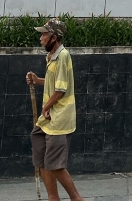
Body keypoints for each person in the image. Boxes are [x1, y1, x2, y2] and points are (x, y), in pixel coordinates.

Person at [25, 19, 86, 201]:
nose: (41, 38)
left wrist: (46, 107)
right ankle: (53, 198)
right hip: (48, 119)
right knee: (42, 157)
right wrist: (37, 80)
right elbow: (55, 83)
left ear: (54, 37)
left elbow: (61, 90)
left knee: (55, 164)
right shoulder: (52, 56)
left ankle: (77, 199)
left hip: (58, 119)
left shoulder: (63, 55)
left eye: (44, 34)